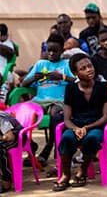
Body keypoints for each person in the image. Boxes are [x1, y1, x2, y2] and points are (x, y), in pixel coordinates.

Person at [53, 53, 107, 191]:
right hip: (76, 126)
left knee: (92, 139)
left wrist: (87, 127)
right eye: (83, 68)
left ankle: (83, 170)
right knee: (66, 138)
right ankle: (66, 174)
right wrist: (76, 129)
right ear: (75, 73)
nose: (89, 70)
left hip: (97, 125)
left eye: (90, 66)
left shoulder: (103, 87)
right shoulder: (71, 89)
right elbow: (67, 119)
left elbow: (105, 117)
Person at [22, 34, 75, 166]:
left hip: (59, 100)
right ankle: (30, 145)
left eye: (54, 51)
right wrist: (34, 78)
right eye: (48, 50)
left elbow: (77, 81)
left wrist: (62, 77)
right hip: (40, 100)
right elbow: (23, 84)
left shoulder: (66, 64)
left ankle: (49, 146)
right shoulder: (41, 64)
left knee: (55, 114)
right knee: (22, 114)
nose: (51, 53)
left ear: (62, 50)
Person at [0, 111, 24, 193]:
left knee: (0, 150)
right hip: (4, 136)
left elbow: (10, 137)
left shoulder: (1, 118)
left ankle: (6, 180)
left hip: (17, 137)